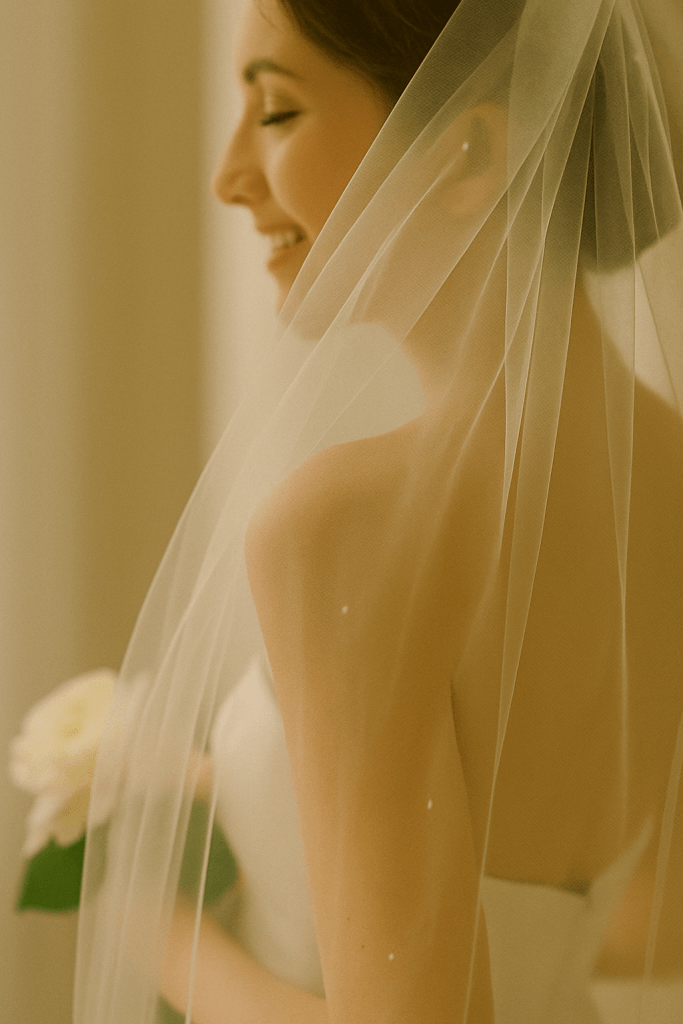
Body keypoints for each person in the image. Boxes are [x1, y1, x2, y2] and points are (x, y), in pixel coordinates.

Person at [74, 0, 683, 1021]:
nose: (227, 177)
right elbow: (640, 917)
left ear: (467, 151)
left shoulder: (344, 528)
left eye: (274, 112)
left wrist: (155, 927)